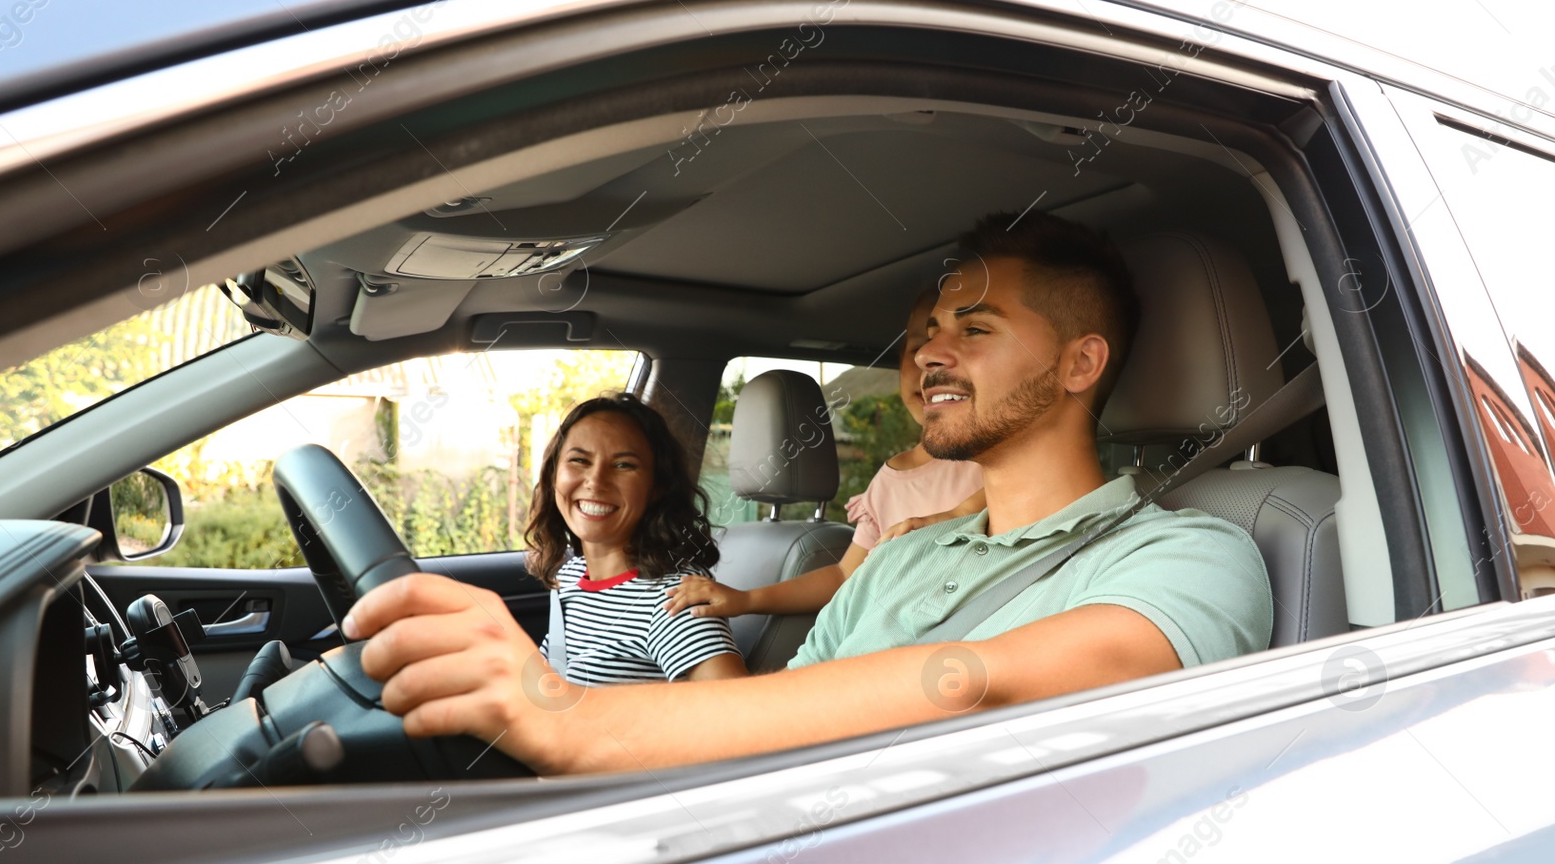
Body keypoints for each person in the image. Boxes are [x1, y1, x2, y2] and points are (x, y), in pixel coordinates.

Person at [341, 211, 1273, 775]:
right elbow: (770, 721)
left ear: (1082, 362)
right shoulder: (901, 554)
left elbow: (987, 685)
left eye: (974, 328)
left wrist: (571, 718)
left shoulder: (1193, 554)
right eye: (925, 333)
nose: (928, 354)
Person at [662, 288, 984, 622]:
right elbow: (845, 576)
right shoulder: (888, 482)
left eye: (973, 335)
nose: (931, 363)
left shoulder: (998, 469)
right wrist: (746, 599)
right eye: (919, 347)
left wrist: (962, 512)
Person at [522, 394, 747, 684]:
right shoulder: (571, 576)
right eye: (579, 460)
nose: (595, 481)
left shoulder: (673, 597)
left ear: (657, 487)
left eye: (624, 465)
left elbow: (736, 712)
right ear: (554, 474)